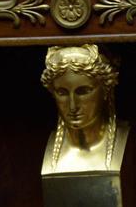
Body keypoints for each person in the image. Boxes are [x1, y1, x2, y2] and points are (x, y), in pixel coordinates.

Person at [40, 43, 126, 173]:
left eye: (83, 91)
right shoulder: (45, 148)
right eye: (62, 93)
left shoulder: (126, 141)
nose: (73, 106)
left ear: (106, 90)